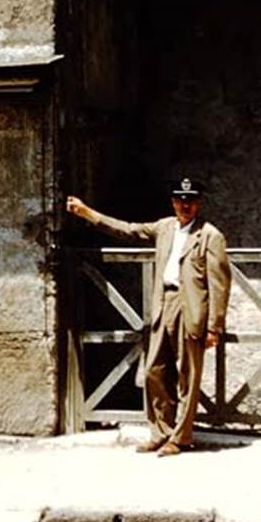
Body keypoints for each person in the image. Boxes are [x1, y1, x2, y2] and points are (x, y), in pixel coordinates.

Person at [67, 178, 232, 456]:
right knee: (154, 371)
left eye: (190, 200)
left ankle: (180, 438)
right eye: (180, 199)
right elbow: (128, 230)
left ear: (199, 203)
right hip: (162, 303)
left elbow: (220, 284)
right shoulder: (164, 227)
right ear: (173, 202)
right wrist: (88, 214)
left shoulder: (210, 235)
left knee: (188, 377)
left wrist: (215, 327)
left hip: (190, 308)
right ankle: (160, 432)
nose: (185, 205)